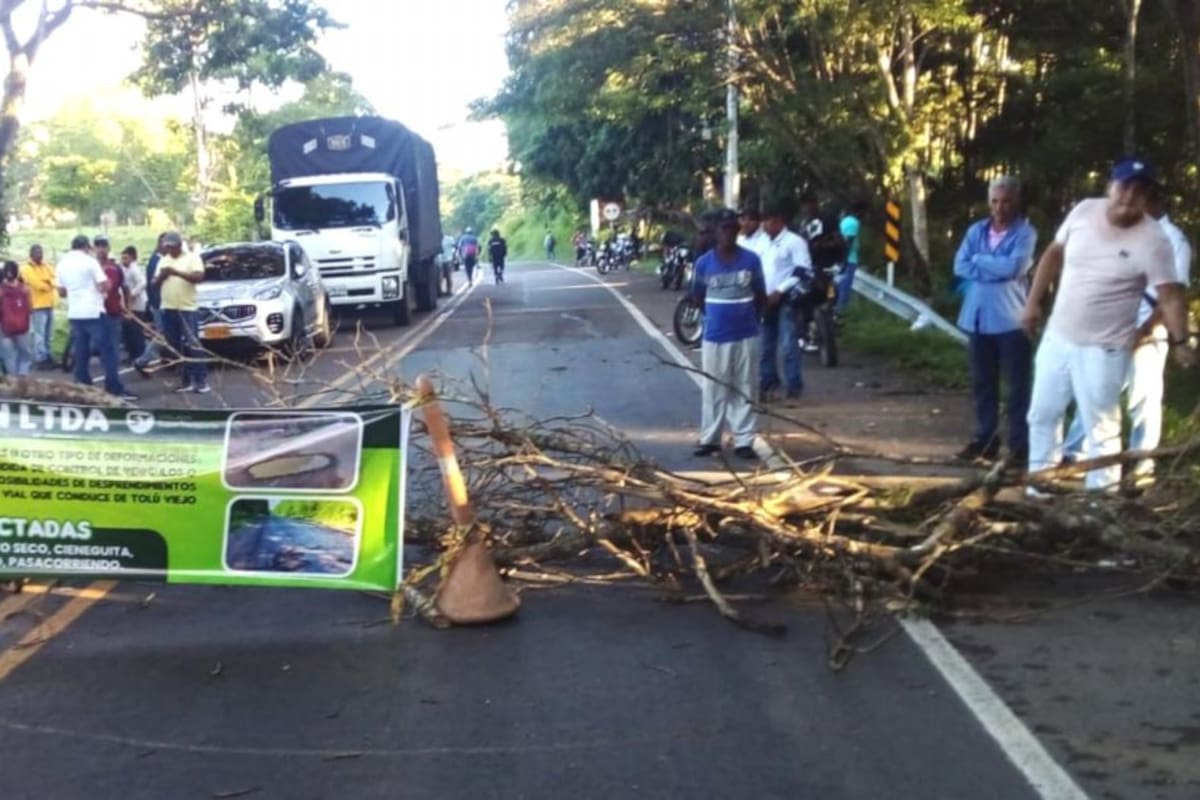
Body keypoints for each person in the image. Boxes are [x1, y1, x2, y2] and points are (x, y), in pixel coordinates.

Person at [1023, 158, 1195, 493]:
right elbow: (1053, 255)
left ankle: (1100, 501)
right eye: (1124, 185)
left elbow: (1171, 297)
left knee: (1101, 427)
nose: (1129, 195)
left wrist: (1180, 342)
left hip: (1105, 347)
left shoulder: (1155, 240)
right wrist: (1032, 304)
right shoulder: (1084, 211)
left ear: (1148, 196)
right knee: (1042, 414)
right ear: (1110, 186)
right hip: (1058, 337)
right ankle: (1038, 488)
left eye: (1139, 189)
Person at [1061, 188, 1193, 483]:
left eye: (1142, 198)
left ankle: (1141, 462)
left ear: (1156, 201)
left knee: (1143, 396)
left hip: (1149, 328)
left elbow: (1172, 294)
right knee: (1096, 390)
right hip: (1112, 324)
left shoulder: (1174, 240)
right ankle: (1075, 454)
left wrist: (1144, 331)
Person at [953, 176, 1038, 465]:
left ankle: (1019, 447)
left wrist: (979, 260)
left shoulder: (1026, 233)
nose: (1000, 208)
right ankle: (985, 440)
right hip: (978, 318)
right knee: (982, 384)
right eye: (995, 201)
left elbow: (1014, 267)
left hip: (1012, 319)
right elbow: (959, 265)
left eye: (1006, 201)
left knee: (1017, 387)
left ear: (1016, 201)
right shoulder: (976, 230)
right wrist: (991, 265)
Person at [690, 208, 767, 460]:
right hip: (715, 335)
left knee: (745, 386)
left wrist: (751, 318)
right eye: (724, 228)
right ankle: (711, 439)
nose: (729, 233)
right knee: (714, 388)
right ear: (716, 232)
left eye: (734, 228)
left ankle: (744, 440)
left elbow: (760, 294)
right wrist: (715, 316)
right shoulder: (704, 263)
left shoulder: (751, 260)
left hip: (746, 333)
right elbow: (697, 297)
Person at [55, 234, 136, 400]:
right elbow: (104, 286)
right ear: (86, 247)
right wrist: (101, 286)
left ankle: (83, 385)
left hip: (75, 313)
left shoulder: (62, 263)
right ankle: (113, 387)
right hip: (94, 311)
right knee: (109, 351)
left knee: (81, 351)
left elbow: (61, 292)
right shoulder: (90, 262)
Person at [758, 200, 812, 400]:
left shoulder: (794, 242)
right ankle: (768, 381)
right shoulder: (762, 241)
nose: (765, 225)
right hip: (765, 299)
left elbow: (802, 270)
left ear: (779, 221)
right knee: (765, 345)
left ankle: (794, 384)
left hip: (786, 299)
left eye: (769, 221)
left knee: (788, 344)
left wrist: (780, 291)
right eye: (764, 221)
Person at [154, 230, 210, 394]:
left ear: (179, 245)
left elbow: (198, 277)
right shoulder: (163, 260)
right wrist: (162, 276)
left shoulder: (192, 258)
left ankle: (200, 380)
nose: (169, 250)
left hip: (187, 308)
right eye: (167, 247)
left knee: (193, 345)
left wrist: (176, 272)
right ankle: (184, 380)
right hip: (169, 307)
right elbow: (154, 282)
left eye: (171, 247)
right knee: (174, 346)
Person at [134, 233, 167, 375]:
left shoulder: (158, 259)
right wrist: (158, 304)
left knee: (165, 334)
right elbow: (153, 285)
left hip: (159, 303)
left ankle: (166, 360)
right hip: (160, 304)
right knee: (162, 335)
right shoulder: (156, 261)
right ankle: (143, 360)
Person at [94, 235, 128, 365]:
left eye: (104, 246)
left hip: (112, 309)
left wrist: (127, 307)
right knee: (99, 340)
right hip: (96, 310)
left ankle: (112, 367)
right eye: (98, 246)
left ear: (108, 248)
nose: (101, 249)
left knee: (113, 340)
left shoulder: (114, 268)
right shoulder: (91, 266)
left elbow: (124, 288)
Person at [20, 244, 56, 367]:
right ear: (31, 254)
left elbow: (55, 279)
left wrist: (48, 282)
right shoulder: (26, 268)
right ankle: (40, 359)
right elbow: (38, 285)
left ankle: (48, 355)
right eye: (36, 253)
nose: (39, 255)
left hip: (50, 303)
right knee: (39, 334)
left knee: (48, 334)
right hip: (37, 305)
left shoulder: (46, 266)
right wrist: (47, 283)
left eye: (40, 252)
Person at [0, 261, 34, 376]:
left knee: (9, 356)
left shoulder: (1, 290)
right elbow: (30, 308)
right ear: (18, 272)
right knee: (25, 354)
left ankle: (13, 380)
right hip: (23, 327)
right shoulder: (25, 289)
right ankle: (22, 376)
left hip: (4, 328)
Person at [120, 245, 149, 363]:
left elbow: (143, 282)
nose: (123, 261)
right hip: (130, 304)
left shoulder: (134, 269)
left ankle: (139, 355)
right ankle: (132, 355)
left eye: (126, 258)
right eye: (122, 258)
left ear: (132, 258)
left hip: (138, 303)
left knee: (136, 332)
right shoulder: (126, 269)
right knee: (129, 331)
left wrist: (133, 293)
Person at [837, 202, 867, 311]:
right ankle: (841, 311)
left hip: (844, 259)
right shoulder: (854, 223)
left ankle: (839, 309)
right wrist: (845, 261)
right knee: (845, 287)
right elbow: (848, 243)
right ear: (860, 212)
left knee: (841, 285)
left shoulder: (844, 221)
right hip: (849, 260)